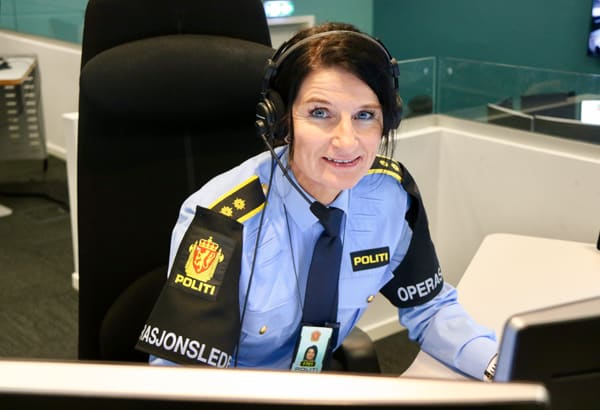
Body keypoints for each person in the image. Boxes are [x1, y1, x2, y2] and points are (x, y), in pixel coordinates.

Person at [143, 22, 498, 380]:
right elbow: (182, 380)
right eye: (320, 113)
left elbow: (430, 308)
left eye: (364, 115)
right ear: (281, 120)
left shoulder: (391, 196)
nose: (346, 142)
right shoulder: (223, 223)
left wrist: (495, 365)